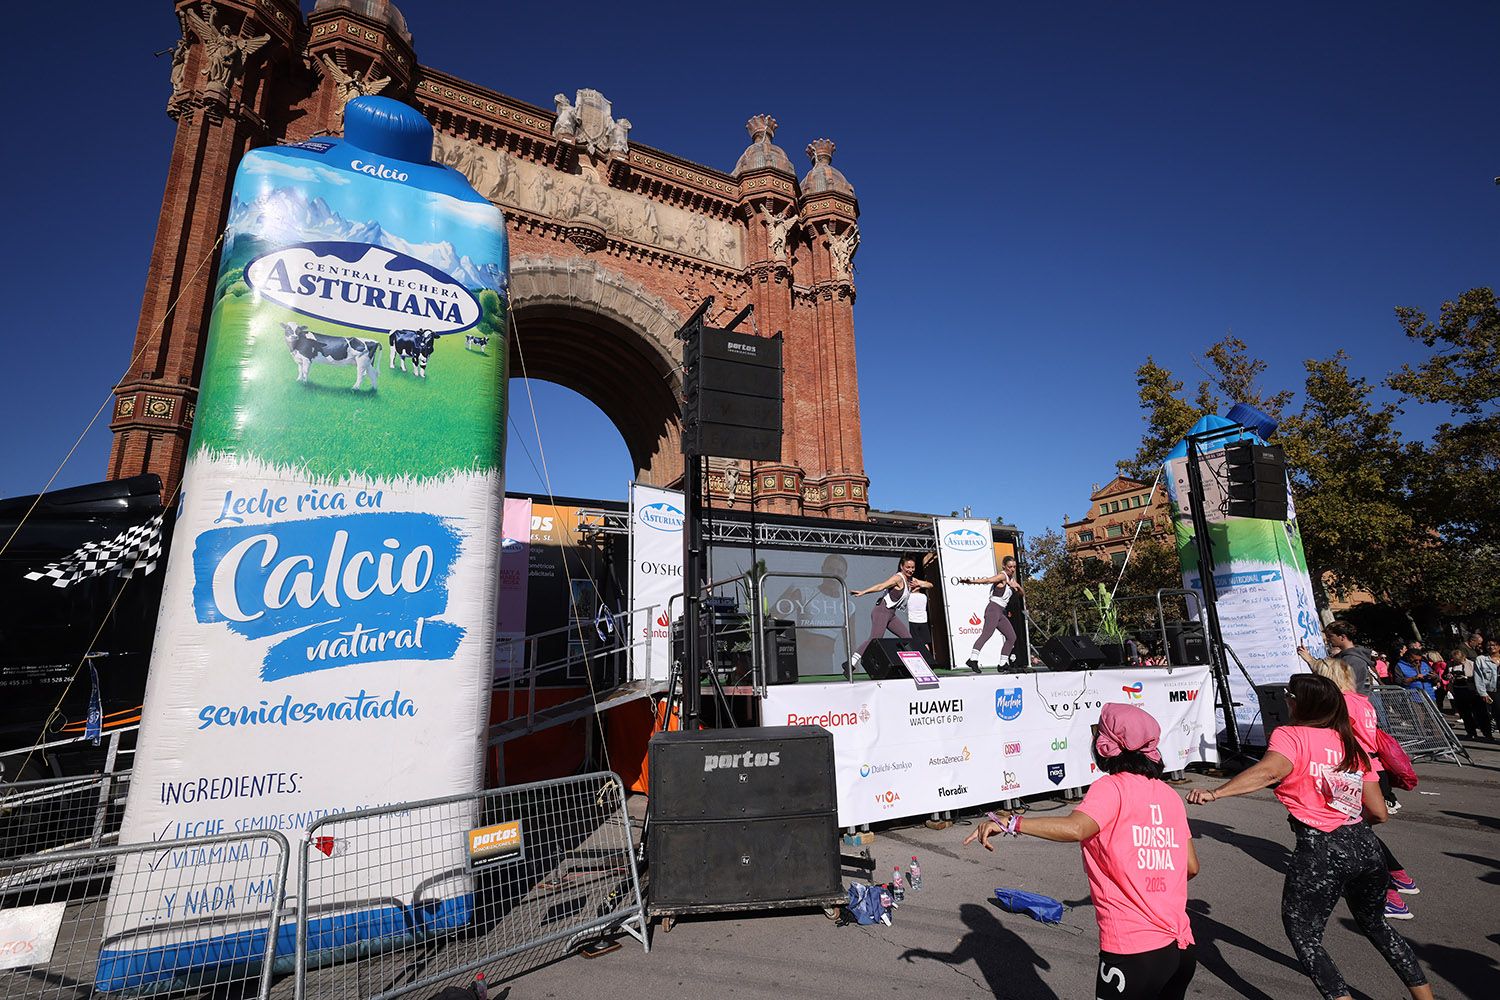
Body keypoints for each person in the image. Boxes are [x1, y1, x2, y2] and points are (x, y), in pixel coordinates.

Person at [1187, 674, 1432, 1000]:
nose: (1286, 700)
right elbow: (1378, 812)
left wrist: (1216, 793)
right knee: (1376, 924)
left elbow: (1270, 771)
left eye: (1290, 695)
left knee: (1304, 933)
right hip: (1365, 845)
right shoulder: (1349, 741)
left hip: (1321, 848)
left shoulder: (1290, 735)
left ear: (1300, 703)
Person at [965, 703, 1199, 1000]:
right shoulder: (1169, 796)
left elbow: (1076, 828)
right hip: (1180, 949)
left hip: (1133, 952)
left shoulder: (1111, 788)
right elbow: (1190, 866)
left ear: (1106, 746)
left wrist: (1012, 822)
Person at [1307, 656, 1420, 917]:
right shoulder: (1360, 700)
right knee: (1359, 832)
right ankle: (1398, 876)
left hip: (1354, 770)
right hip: (1371, 766)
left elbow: (1332, 736)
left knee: (1353, 835)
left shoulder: (1341, 703)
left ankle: (1388, 893)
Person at [847, 555, 932, 672]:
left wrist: (919, 584)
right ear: (902, 566)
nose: (910, 570)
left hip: (891, 614)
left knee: (907, 638)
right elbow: (881, 586)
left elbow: (930, 585)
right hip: (882, 611)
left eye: (913, 567)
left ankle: (914, 666)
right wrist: (863, 592)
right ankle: (851, 663)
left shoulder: (912, 580)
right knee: (875, 638)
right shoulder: (898, 578)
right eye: (908, 567)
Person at [958, 556, 1024, 672]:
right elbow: (988, 580)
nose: (1012, 569)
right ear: (1004, 566)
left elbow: (1021, 594)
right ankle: (973, 659)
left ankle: (1002, 663)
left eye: (1014, 567)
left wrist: (1017, 586)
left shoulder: (1012, 580)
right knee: (986, 634)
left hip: (1001, 612)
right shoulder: (1002, 576)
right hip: (993, 609)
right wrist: (971, 581)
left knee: (1011, 637)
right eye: (1010, 567)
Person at [1447, 647, 1491, 741]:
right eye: (1455, 660)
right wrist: (1450, 677)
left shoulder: (1471, 664)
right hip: (1458, 691)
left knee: (1480, 713)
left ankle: (1487, 733)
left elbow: (1478, 677)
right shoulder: (1451, 665)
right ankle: (1471, 732)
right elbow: (1446, 676)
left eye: (1459, 660)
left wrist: (1466, 677)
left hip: (1472, 691)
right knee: (1465, 714)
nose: (1457, 662)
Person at [1321, 621, 1376, 694]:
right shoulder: (1347, 657)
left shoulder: (1352, 660)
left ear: (1342, 637)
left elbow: (1346, 686)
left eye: (1330, 636)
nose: (1328, 639)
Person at [1477, 639, 1500, 736]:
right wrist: (1483, 693)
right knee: (1498, 712)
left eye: (1494, 645)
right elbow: (1478, 677)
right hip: (1493, 690)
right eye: (1489, 645)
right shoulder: (1481, 659)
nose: (1491, 647)